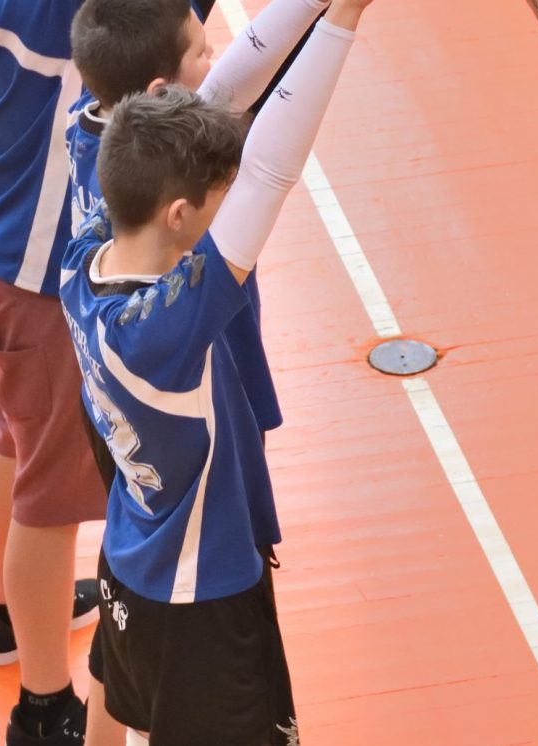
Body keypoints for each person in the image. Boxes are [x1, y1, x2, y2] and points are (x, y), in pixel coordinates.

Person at [58, 1, 374, 742]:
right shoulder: (165, 332)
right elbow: (268, 171)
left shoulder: (86, 255)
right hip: (201, 599)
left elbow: (221, 99)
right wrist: (344, 21)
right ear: (178, 215)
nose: (228, 199)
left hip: (132, 556)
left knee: (118, 695)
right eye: (216, 195)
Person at [0, 1, 105, 743]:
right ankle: (45, 709)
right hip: (39, 285)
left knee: (14, 441)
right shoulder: (62, 18)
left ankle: (11, 614)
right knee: (51, 498)